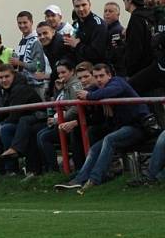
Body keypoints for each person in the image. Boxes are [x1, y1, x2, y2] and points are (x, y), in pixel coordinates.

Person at [54, 63, 149, 193]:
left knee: (109, 139)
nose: (98, 79)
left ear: (109, 75)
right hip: (122, 127)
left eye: (101, 76)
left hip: (138, 127)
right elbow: (87, 93)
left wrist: (88, 96)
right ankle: (79, 180)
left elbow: (108, 91)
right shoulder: (98, 87)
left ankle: (94, 180)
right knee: (94, 148)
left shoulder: (118, 82)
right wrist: (87, 93)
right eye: (96, 76)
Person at [65, 0, 109, 65]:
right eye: (77, 6)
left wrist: (77, 45)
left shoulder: (98, 24)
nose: (81, 9)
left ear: (90, 5)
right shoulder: (76, 24)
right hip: (79, 68)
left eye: (84, 5)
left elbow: (97, 54)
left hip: (96, 71)